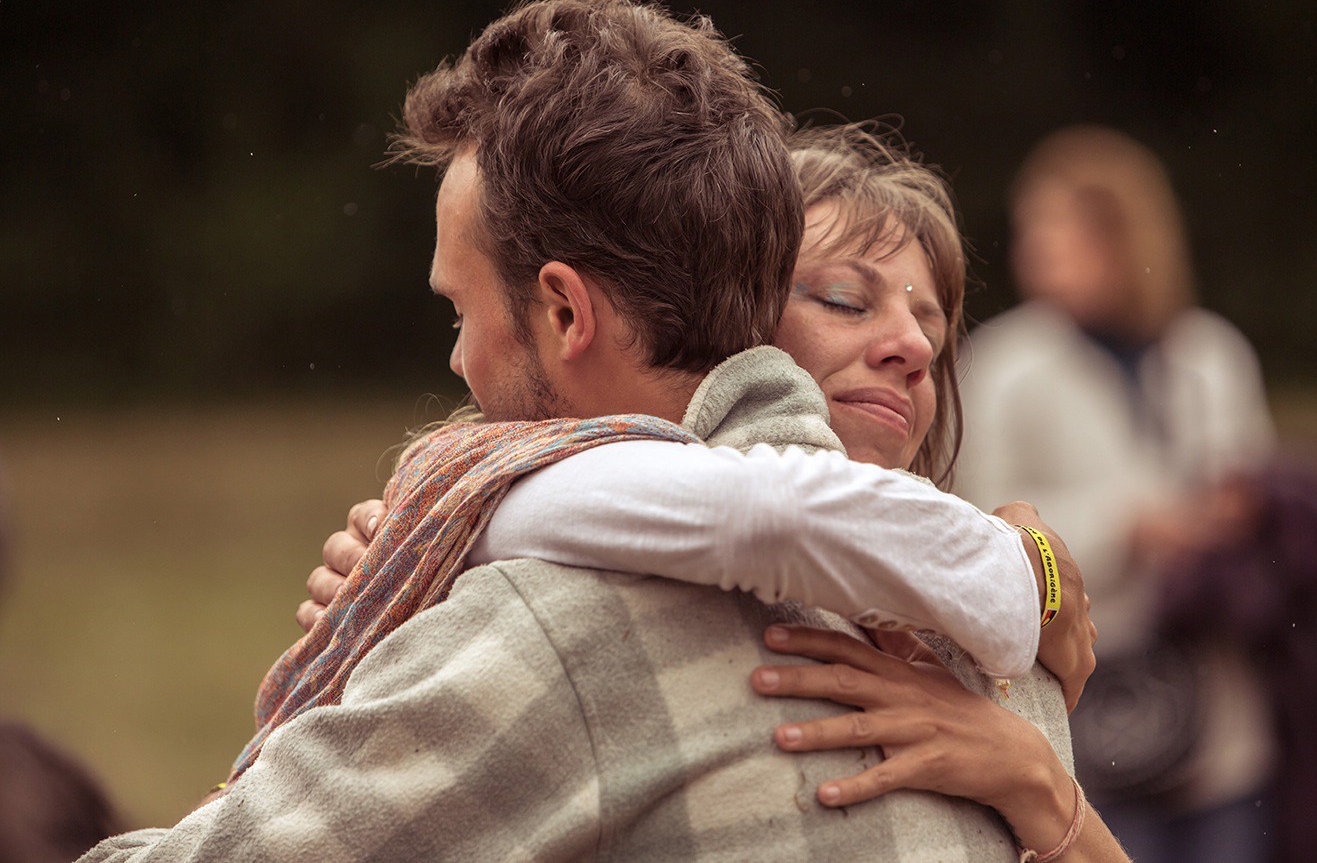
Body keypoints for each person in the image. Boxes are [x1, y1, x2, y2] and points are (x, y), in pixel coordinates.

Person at [81, 0, 1094, 861]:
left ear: (566, 312)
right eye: (843, 299)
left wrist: (444, 550)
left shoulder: (553, 630)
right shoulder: (984, 649)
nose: (456, 360)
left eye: (458, 310)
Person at [295, 123, 1127, 861]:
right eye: (845, 300)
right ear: (724, 318)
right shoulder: (571, 604)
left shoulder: (990, 637)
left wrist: (1036, 781)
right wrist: (434, 539)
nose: (910, 344)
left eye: (934, 332)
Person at [955, 125, 1277, 863]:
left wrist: (1233, 518)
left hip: (1217, 700)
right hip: (1089, 702)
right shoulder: (1004, 366)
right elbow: (981, 523)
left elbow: (1250, 488)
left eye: (1056, 228)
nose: (1033, 249)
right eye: (1029, 229)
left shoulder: (1211, 355)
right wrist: (1124, 525)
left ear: (1123, 236)